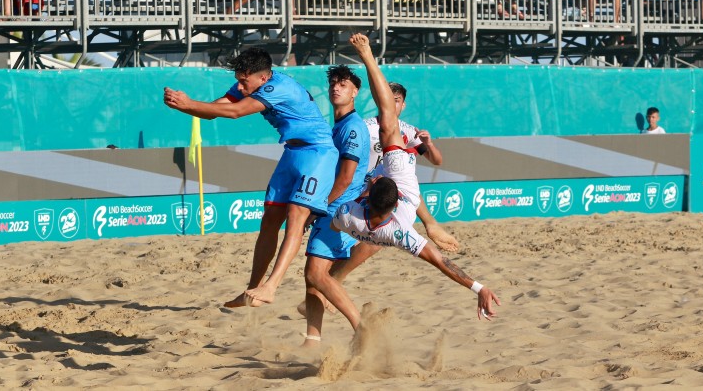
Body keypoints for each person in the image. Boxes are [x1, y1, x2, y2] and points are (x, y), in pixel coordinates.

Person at [304, 33, 501, 337]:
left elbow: (434, 158)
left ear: (367, 197)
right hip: (396, 186)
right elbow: (442, 263)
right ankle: (428, 226)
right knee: (387, 124)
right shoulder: (399, 233)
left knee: (327, 266)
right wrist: (479, 287)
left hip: (379, 190)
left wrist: (310, 214)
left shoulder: (347, 213)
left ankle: (329, 290)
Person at [163, 48, 338, 308]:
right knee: (269, 220)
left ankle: (271, 286)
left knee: (296, 217)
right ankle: (252, 290)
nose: (240, 87)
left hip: (318, 153)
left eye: (244, 82)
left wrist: (189, 104)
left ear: (263, 78)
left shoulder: (278, 87)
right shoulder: (249, 83)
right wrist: (183, 106)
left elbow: (236, 112)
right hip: (293, 152)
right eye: (238, 81)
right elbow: (214, 110)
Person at [302, 65, 370, 346]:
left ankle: (361, 327)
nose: (335, 88)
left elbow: (344, 178)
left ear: (355, 92)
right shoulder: (339, 126)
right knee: (314, 277)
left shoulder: (352, 127)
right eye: (333, 83)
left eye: (343, 84)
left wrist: (315, 207)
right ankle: (312, 340)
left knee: (315, 273)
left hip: (337, 210)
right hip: (337, 208)